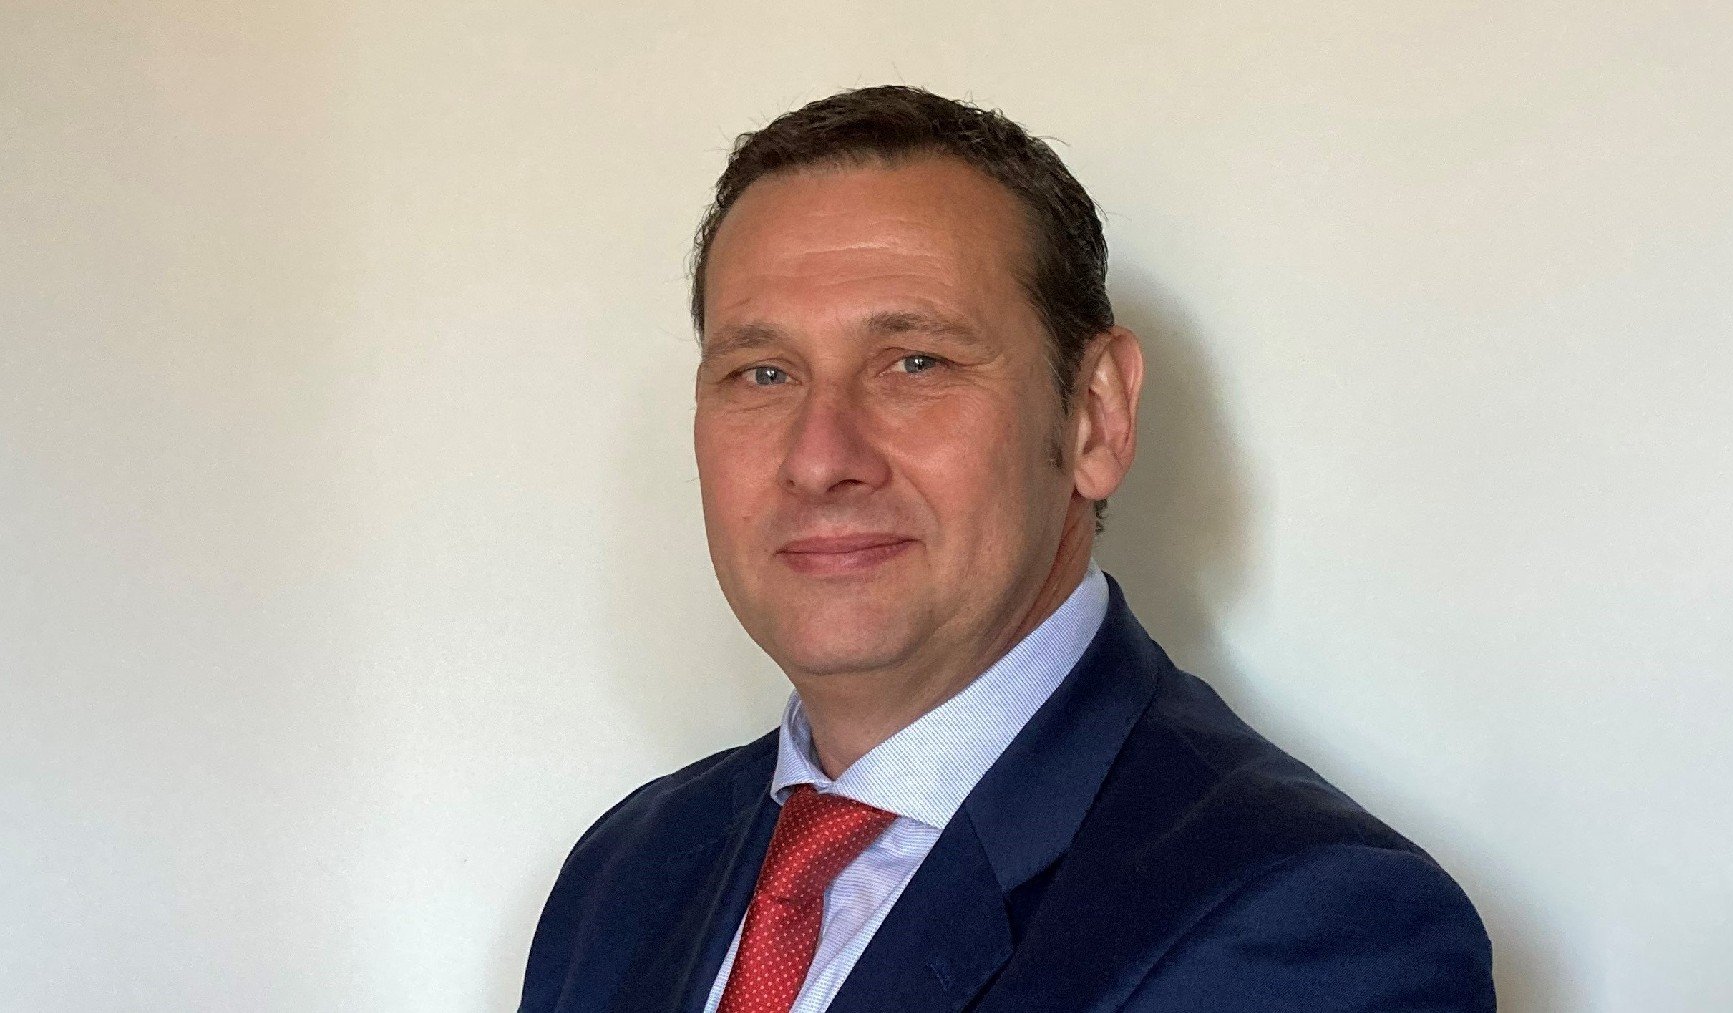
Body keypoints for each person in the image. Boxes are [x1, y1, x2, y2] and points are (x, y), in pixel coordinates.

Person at [521, 85, 1494, 1012]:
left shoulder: (1313, 920)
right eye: (763, 372)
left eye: (916, 362)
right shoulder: (626, 870)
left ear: (1096, 417)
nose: (820, 460)